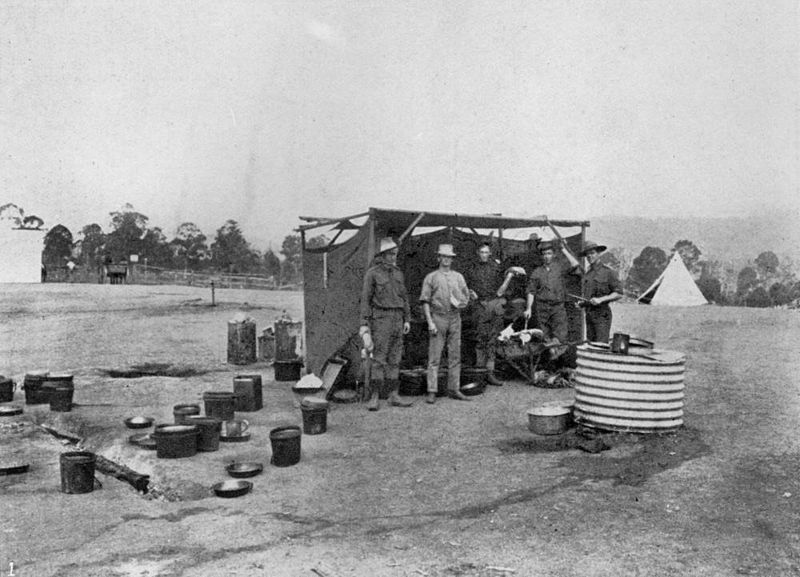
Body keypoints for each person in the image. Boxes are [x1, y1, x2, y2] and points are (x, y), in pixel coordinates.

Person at [359, 237, 414, 411]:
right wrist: (364, 324)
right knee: (379, 359)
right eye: (390, 254)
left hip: (398, 319)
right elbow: (365, 300)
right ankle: (374, 396)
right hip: (381, 319)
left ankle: (393, 395)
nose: (393, 257)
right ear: (382, 255)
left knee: (395, 359)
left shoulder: (398, 273)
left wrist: (407, 319)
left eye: (395, 253)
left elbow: (404, 298)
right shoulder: (373, 273)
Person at [420, 243, 472, 404]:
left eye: (449, 257)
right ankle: (432, 390)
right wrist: (430, 322)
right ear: (438, 258)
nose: (446, 260)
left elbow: (466, 297)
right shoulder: (431, 277)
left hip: (455, 318)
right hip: (438, 318)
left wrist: (461, 302)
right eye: (444, 256)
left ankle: (454, 389)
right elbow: (425, 301)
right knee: (435, 357)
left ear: (452, 259)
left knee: (455, 355)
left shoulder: (458, 277)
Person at [523, 240, 580, 348]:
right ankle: (549, 361)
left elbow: (575, 264)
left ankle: (558, 360)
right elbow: (531, 291)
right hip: (542, 308)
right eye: (544, 254)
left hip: (557, 307)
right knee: (544, 337)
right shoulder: (537, 272)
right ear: (541, 256)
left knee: (560, 337)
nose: (546, 256)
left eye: (549, 253)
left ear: (553, 255)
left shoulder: (560, 268)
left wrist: (563, 249)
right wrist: (528, 308)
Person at [465, 243, 506, 386]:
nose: (484, 254)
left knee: (492, 339)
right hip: (479, 306)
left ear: (490, 254)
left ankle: (490, 373)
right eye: (481, 252)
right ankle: (479, 373)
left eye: (486, 252)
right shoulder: (471, 268)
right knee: (480, 339)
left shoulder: (496, 268)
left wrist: (499, 300)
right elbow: (465, 286)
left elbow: (503, 289)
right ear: (478, 253)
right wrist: (471, 292)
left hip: (493, 304)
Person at [578, 241, 623, 343]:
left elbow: (619, 293)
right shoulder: (587, 274)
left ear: (599, 254)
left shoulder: (608, 272)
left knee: (601, 345)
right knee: (591, 344)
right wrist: (582, 304)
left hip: (602, 315)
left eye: (592, 253)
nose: (590, 256)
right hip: (589, 314)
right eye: (587, 254)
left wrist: (601, 299)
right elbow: (589, 296)